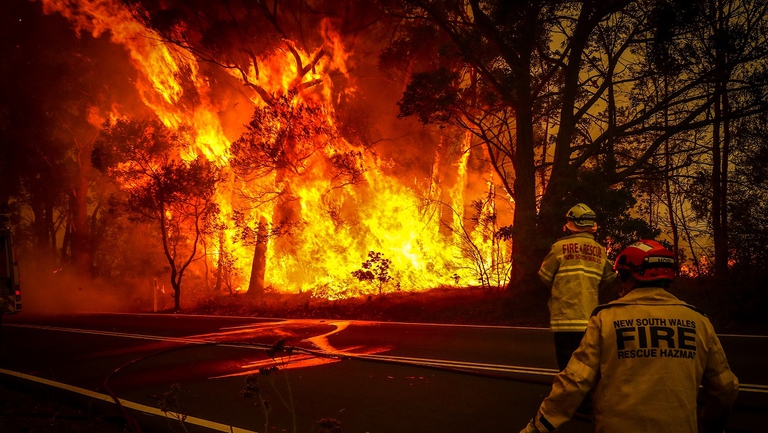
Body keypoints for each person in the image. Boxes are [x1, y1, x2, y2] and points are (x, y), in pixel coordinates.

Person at [520, 240, 739, 433]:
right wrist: (711, 425)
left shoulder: (606, 319)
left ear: (627, 276)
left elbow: (575, 381)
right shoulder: (698, 321)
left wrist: (537, 427)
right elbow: (725, 387)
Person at [538, 203, 617, 372]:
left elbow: (544, 276)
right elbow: (610, 277)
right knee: (587, 368)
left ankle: (568, 389)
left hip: (564, 320)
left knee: (567, 369)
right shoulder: (599, 250)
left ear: (571, 224)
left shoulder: (559, 247)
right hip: (590, 319)